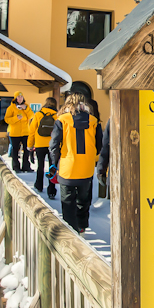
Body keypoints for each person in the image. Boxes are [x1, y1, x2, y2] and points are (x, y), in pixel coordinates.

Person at [49, 93, 102, 234]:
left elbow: (54, 145)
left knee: (68, 202)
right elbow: (99, 144)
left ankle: (70, 231)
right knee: (84, 200)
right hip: (87, 167)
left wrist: (54, 162)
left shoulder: (62, 120)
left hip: (68, 167)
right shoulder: (93, 121)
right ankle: (81, 227)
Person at [28, 97, 58, 199]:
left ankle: (39, 185)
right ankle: (51, 189)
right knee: (52, 167)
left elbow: (32, 131)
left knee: (40, 165)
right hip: (52, 144)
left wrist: (30, 145)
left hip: (40, 144)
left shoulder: (39, 114)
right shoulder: (57, 116)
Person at [5, 91, 33, 173]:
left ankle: (26, 166)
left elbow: (32, 116)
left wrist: (26, 109)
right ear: (15, 98)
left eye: (21, 97)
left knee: (26, 150)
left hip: (26, 132)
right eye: (18, 97)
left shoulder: (26, 106)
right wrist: (16, 118)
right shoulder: (11, 108)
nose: (20, 99)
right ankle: (16, 166)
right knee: (15, 150)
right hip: (15, 133)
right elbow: (7, 119)